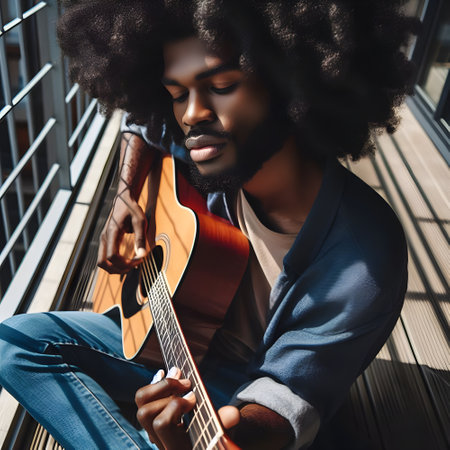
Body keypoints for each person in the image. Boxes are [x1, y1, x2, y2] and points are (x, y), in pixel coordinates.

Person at [0, 1, 418, 449]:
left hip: (248, 384)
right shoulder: (213, 150)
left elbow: (287, 401)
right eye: (177, 94)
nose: (191, 115)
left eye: (221, 85)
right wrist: (124, 197)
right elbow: (143, 127)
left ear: (293, 84)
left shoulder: (365, 257)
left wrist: (217, 434)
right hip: (175, 329)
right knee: (15, 342)